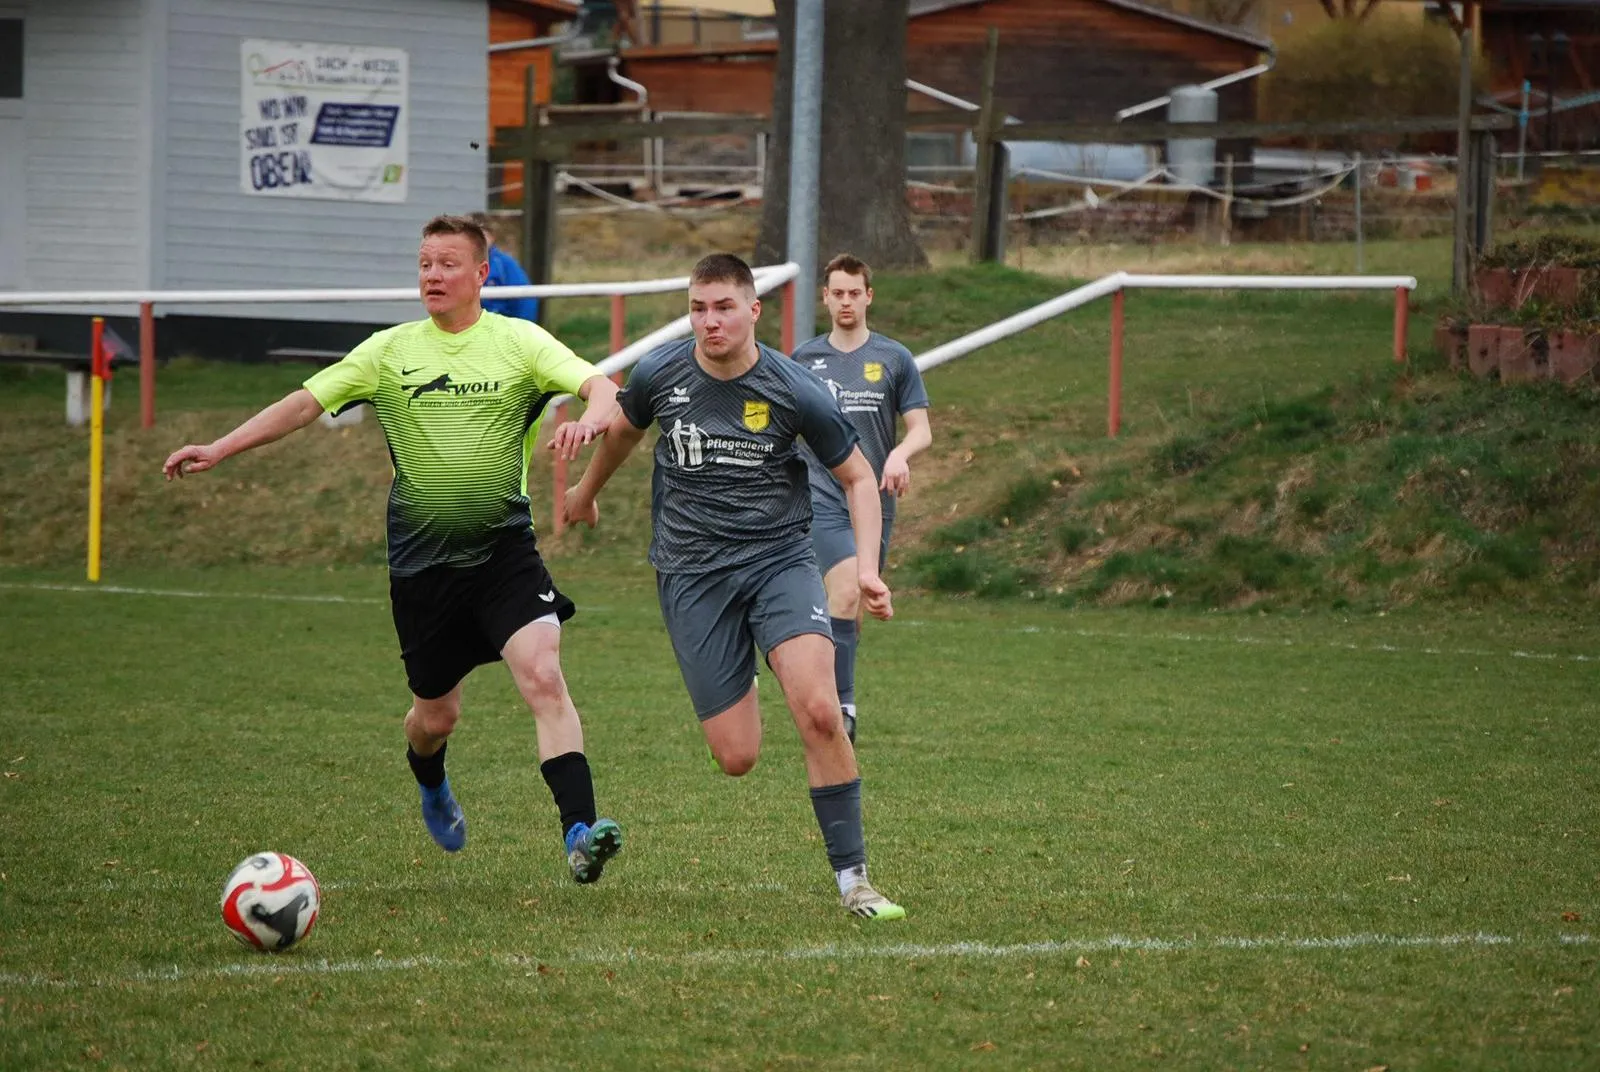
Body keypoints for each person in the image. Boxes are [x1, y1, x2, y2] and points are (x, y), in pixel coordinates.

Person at [162, 214, 624, 885]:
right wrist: (221, 447)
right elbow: (304, 403)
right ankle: (431, 782)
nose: (433, 275)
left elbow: (604, 388)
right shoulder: (389, 350)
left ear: (481, 274)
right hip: (423, 569)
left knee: (544, 676)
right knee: (436, 717)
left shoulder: (520, 343)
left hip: (504, 553)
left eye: (447, 263)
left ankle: (579, 833)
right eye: (425, 264)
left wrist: (590, 418)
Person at [561, 253, 906, 922]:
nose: (709, 321)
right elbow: (623, 434)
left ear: (754, 310)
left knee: (819, 711)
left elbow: (859, 478)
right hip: (693, 575)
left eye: (723, 307)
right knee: (737, 756)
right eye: (698, 308)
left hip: (779, 561)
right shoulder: (661, 372)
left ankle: (855, 881)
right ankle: (741, 659)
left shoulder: (794, 388)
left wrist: (867, 568)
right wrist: (585, 491)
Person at [793, 254, 932, 745]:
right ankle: (842, 708)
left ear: (869, 296)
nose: (846, 301)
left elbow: (922, 429)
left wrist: (899, 454)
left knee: (851, 604)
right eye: (838, 293)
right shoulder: (804, 360)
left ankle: (822, 689)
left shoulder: (894, 359)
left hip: (875, 501)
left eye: (855, 293)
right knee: (849, 589)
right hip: (821, 497)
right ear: (825, 298)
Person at [469, 211, 540, 322]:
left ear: (492, 237)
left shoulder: (504, 264)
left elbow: (525, 300)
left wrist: (521, 328)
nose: (476, 242)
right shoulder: (458, 264)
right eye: (470, 237)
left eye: (481, 236)